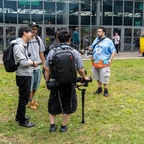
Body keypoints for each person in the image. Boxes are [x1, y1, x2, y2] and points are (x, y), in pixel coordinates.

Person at [45, 30, 89, 132]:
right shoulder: (74, 52)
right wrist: (85, 77)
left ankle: (52, 125)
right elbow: (80, 69)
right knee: (69, 103)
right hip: (70, 83)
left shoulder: (52, 52)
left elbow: (47, 69)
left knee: (53, 102)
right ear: (69, 40)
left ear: (58, 39)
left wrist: (48, 82)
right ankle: (63, 126)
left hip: (56, 82)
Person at [11, 25, 39, 127]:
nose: (32, 34)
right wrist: (32, 63)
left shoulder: (23, 44)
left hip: (25, 73)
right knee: (24, 98)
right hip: (23, 75)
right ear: (24, 33)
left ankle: (19, 116)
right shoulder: (19, 45)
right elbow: (22, 62)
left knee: (23, 97)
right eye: (30, 32)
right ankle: (22, 121)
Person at [88, 27, 116, 97]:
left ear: (104, 33)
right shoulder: (96, 40)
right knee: (97, 76)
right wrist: (90, 48)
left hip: (104, 63)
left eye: (100, 32)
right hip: (95, 62)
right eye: (98, 31)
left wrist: (110, 59)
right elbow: (92, 47)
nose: (98, 33)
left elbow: (114, 51)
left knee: (104, 76)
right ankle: (99, 88)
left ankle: (106, 90)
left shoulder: (109, 41)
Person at [27, 22, 45, 110]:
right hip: (29, 67)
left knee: (36, 85)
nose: (34, 30)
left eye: (36, 29)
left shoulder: (38, 39)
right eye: (32, 29)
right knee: (30, 85)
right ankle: (30, 101)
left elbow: (41, 52)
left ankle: (30, 99)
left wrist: (44, 63)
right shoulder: (26, 40)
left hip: (38, 66)